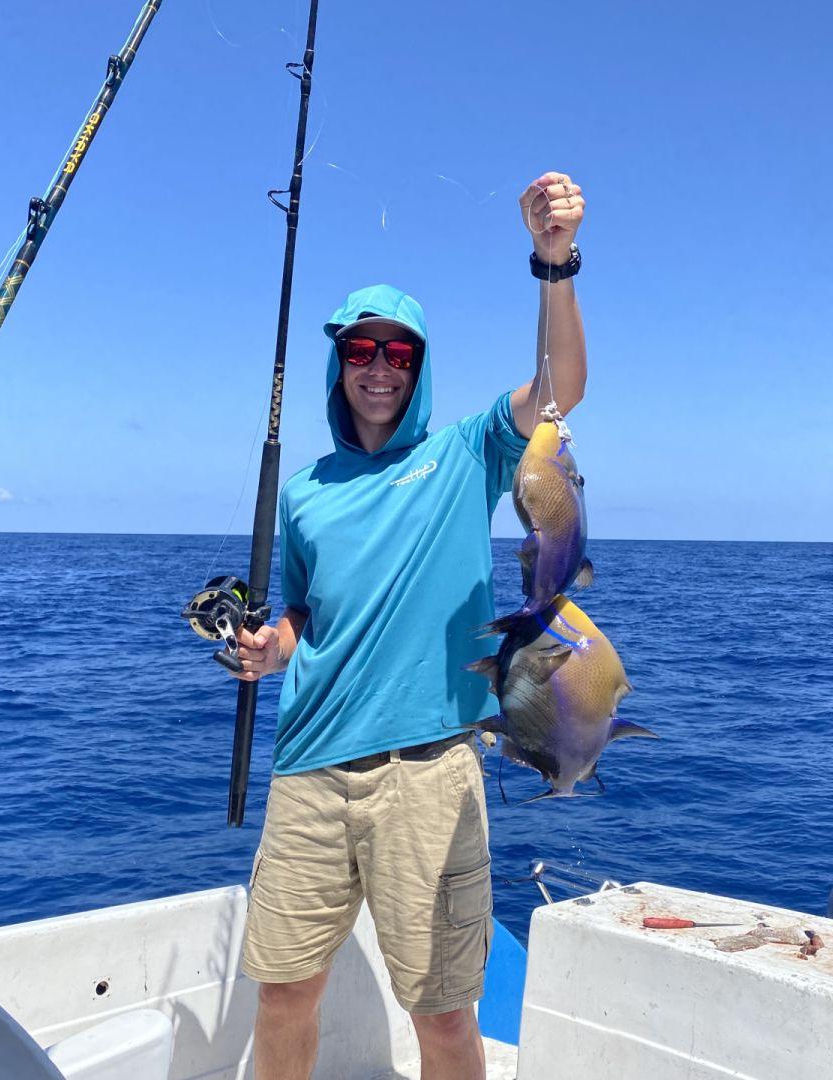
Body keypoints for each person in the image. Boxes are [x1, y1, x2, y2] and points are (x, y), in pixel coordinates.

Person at [231, 171, 586, 1080]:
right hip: (308, 771)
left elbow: (561, 386)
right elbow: (307, 611)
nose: (380, 367)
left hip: (429, 774)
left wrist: (555, 262)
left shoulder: (465, 452)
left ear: (418, 367)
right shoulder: (306, 492)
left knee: (442, 1014)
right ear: (340, 363)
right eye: (363, 351)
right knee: (283, 993)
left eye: (399, 352)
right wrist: (271, 646)